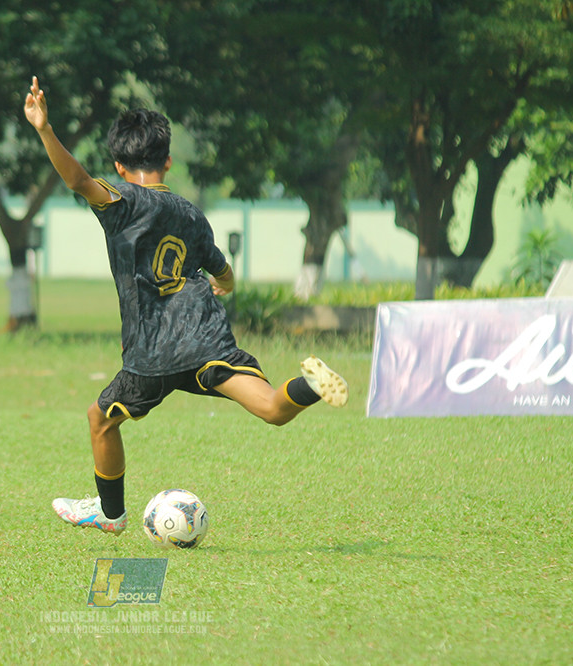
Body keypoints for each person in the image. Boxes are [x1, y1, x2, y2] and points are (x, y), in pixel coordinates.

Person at [23, 76, 348, 535]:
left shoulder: (120, 201)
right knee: (273, 409)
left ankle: (110, 515)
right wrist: (225, 287)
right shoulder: (192, 214)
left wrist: (44, 128)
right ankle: (311, 387)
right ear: (168, 161)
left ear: (118, 165)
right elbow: (224, 271)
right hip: (205, 337)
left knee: (101, 420)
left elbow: (76, 178)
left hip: (152, 350)